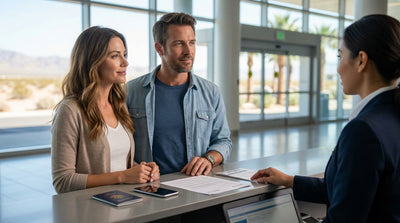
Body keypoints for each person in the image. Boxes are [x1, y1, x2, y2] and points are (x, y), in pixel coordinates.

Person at [251, 14, 400, 222]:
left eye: (340, 56)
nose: (338, 68)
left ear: (361, 60)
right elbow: (349, 191)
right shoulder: (391, 114)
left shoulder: (364, 130)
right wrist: (289, 180)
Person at [51, 26, 159, 194]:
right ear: (93, 61)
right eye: (115, 56)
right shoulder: (70, 110)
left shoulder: (118, 105)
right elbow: (63, 181)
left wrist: (141, 170)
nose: (125, 62)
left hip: (126, 206)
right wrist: (123, 176)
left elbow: (117, 164)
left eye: (124, 55)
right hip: (92, 212)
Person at [126, 12, 232, 176]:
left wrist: (209, 159)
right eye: (178, 44)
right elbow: (119, 146)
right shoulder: (131, 91)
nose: (188, 51)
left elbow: (223, 141)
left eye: (192, 43)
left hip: (196, 185)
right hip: (148, 187)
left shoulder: (211, 92)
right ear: (159, 48)